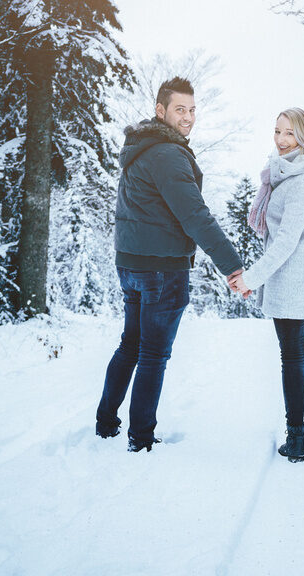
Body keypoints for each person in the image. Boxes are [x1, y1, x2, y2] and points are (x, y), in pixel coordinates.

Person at [96, 77, 243, 452]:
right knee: (152, 354)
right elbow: (195, 217)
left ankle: (106, 423)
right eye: (180, 109)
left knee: (131, 346)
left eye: (192, 110)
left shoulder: (141, 148)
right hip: (161, 269)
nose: (189, 117)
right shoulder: (168, 155)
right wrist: (232, 265)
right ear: (160, 111)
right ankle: (141, 438)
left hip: (131, 264)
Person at [230, 108, 304, 462]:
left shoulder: (300, 181)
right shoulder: (299, 172)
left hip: (294, 283)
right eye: (278, 131)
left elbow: (284, 243)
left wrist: (250, 278)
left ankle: (295, 439)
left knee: (292, 359)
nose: (281, 140)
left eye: (290, 133)